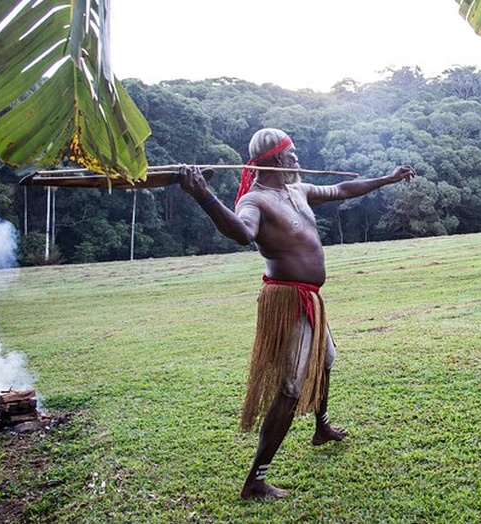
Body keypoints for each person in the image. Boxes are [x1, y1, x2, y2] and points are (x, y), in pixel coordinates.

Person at [178, 127, 415, 500]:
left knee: (324, 361)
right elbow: (242, 233)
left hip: (311, 299)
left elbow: (342, 190)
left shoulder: (296, 190)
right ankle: (255, 480)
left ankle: (321, 427)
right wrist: (204, 196)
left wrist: (388, 178)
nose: (298, 160)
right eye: (293, 155)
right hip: (287, 302)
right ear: (275, 159)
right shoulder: (255, 201)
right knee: (289, 389)